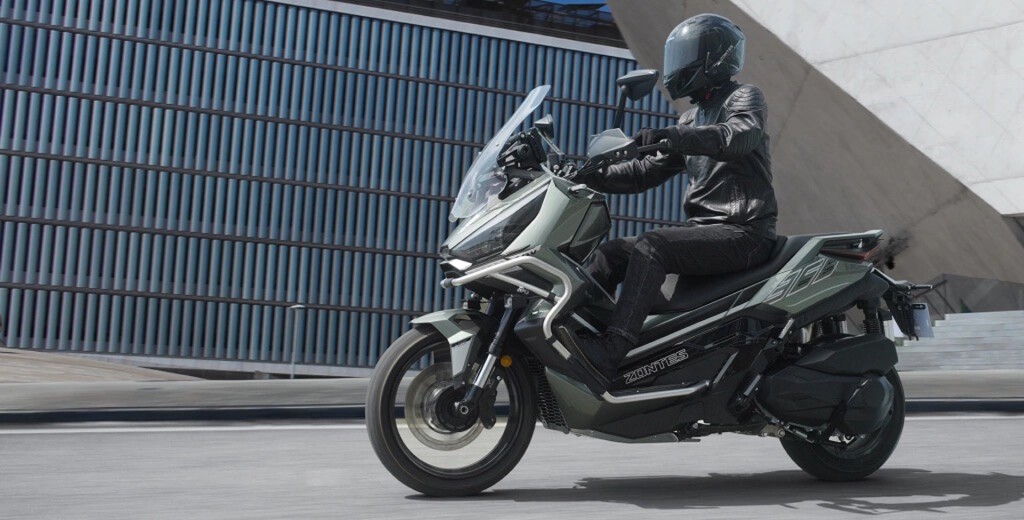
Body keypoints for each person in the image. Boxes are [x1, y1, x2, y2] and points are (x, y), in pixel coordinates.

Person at [557, 13, 779, 393]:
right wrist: (585, 175)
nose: (678, 64)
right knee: (611, 254)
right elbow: (643, 172)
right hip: (708, 232)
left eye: (686, 54)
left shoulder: (744, 97)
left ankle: (611, 352)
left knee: (652, 247)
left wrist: (674, 135)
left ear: (712, 57)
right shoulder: (692, 118)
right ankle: (577, 334)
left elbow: (736, 136)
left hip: (745, 232)